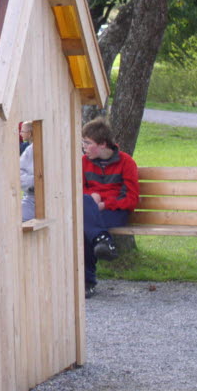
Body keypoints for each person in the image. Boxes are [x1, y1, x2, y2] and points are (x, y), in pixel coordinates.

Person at [81, 118, 138, 297]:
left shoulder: (126, 162)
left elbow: (131, 199)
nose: (83, 147)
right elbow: (78, 190)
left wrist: (104, 203)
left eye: (88, 143)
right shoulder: (83, 162)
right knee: (84, 213)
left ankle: (88, 282)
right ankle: (103, 240)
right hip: (91, 210)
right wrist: (92, 199)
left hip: (115, 212)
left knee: (85, 227)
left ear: (103, 144)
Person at [19, 122, 36, 221]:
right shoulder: (29, 150)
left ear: (30, 133)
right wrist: (34, 181)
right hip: (31, 197)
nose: (20, 133)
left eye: (22, 131)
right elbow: (18, 173)